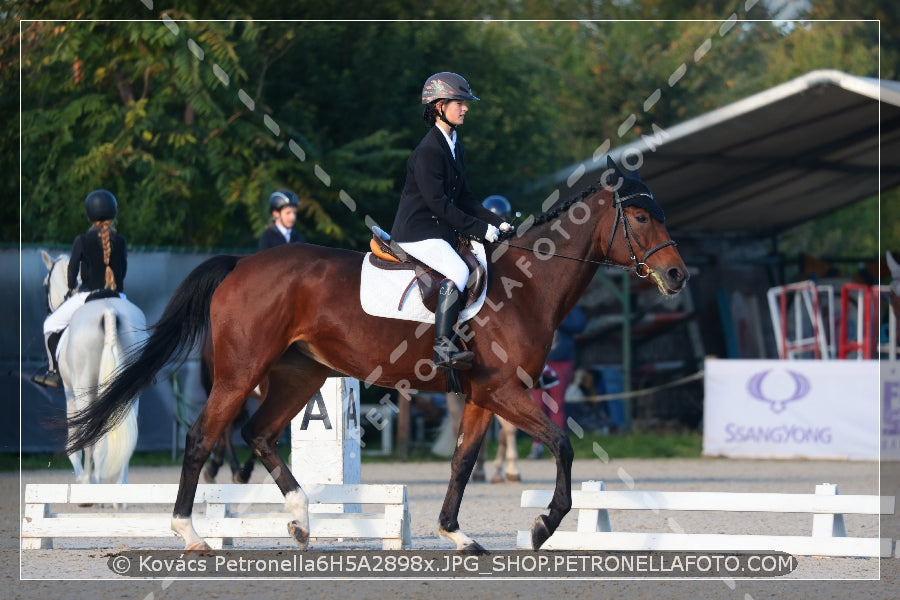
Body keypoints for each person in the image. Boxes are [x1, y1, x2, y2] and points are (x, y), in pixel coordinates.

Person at [390, 72, 512, 371]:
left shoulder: (453, 143)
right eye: (459, 103)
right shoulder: (429, 150)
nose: (466, 108)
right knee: (458, 271)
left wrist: (499, 223)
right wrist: (482, 229)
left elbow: (466, 198)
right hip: (418, 232)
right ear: (439, 106)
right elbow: (439, 204)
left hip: (437, 230)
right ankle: (442, 348)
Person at [33, 189, 128, 388]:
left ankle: (52, 372)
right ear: (113, 214)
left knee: (50, 325)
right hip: (118, 295)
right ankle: (145, 371)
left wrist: (71, 288)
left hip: (87, 296)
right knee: (139, 324)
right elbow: (123, 270)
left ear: (89, 215)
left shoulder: (82, 240)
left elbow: (72, 271)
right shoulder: (120, 240)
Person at [528, 303, 587, 458]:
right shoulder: (538, 302)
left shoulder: (569, 303)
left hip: (561, 360)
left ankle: (558, 446)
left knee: (556, 405)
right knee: (538, 405)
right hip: (539, 361)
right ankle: (537, 445)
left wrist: (558, 317)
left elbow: (580, 324)